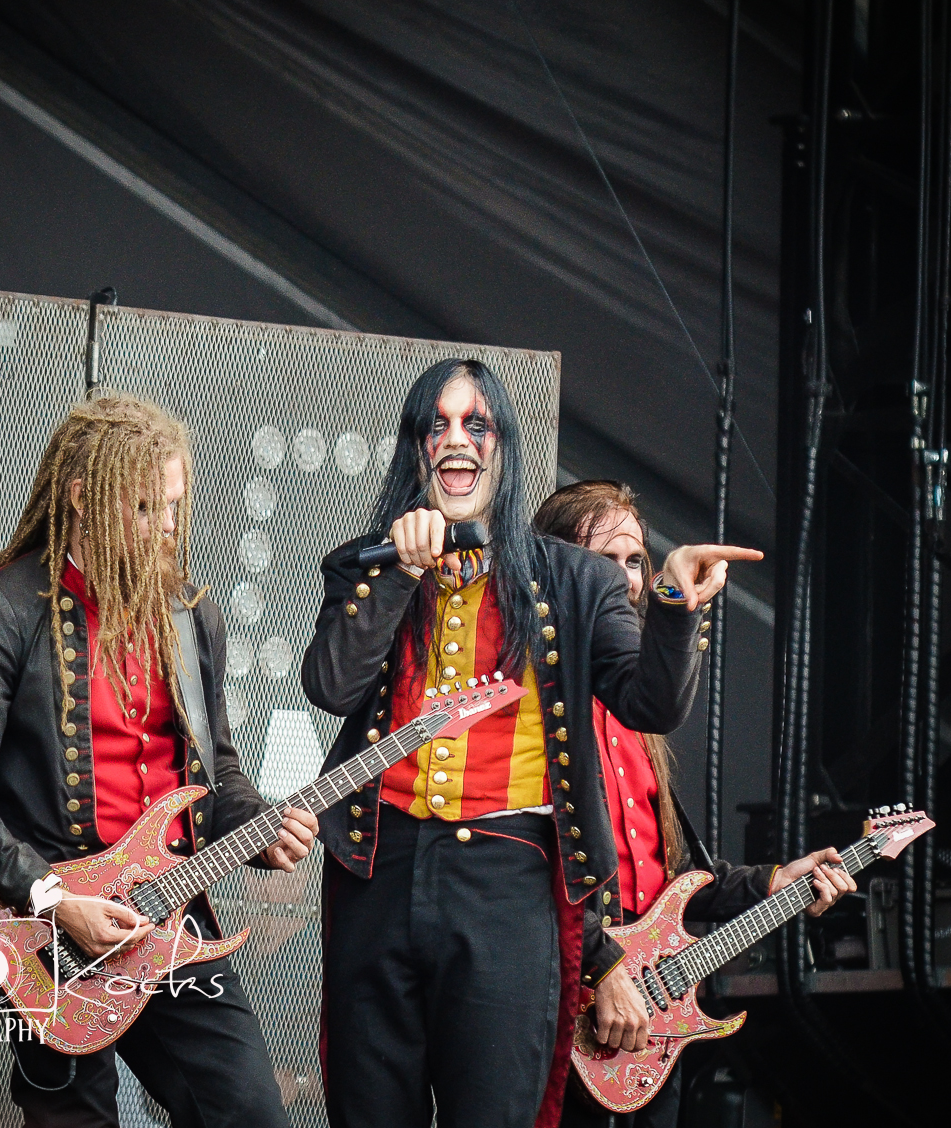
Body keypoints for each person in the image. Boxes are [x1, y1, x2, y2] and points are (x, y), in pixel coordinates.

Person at [301, 358, 762, 1128]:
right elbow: (331, 686)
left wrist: (673, 600)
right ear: (415, 449)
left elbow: (649, 702)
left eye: (476, 424)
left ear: (504, 448)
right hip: (376, 869)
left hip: (506, 878)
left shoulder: (575, 579)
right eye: (438, 424)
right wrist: (399, 573)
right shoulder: (365, 564)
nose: (457, 439)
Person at [0, 394, 319, 1128]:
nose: (169, 527)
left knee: (250, 1113)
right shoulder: (6, 608)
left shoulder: (191, 614)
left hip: (172, 919)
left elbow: (215, 771)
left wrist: (261, 826)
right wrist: (50, 896)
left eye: (175, 506)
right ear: (82, 498)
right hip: (52, 933)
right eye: (145, 508)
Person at [534, 480, 855, 1128]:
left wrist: (774, 882)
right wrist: (603, 965)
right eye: (603, 560)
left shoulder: (636, 712)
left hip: (652, 1012)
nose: (625, 580)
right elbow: (527, 863)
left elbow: (671, 881)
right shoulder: (535, 709)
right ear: (556, 572)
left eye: (634, 561)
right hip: (566, 995)